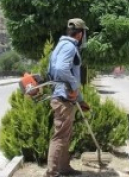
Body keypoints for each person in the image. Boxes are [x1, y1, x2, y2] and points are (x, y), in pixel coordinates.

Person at [44, 18, 90, 177]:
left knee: (65, 135)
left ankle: (63, 167)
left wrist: (80, 99)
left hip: (64, 97)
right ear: (80, 33)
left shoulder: (60, 46)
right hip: (63, 99)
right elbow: (61, 69)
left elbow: (65, 74)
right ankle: (52, 173)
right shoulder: (69, 47)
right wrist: (74, 87)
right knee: (60, 136)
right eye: (84, 33)